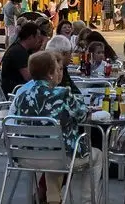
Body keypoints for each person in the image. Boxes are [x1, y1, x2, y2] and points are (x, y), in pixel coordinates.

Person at [10, 50, 102, 204]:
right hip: (58, 157)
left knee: (54, 149)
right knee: (97, 155)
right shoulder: (62, 94)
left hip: (25, 156)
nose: (61, 72)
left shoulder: (22, 95)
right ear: (50, 73)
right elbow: (83, 116)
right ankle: (87, 202)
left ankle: (53, 199)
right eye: (58, 69)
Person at [0, 21, 44, 96]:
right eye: (38, 37)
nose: (39, 40)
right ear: (30, 37)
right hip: (16, 89)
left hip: (15, 85)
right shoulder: (18, 52)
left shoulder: (20, 48)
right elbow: (28, 77)